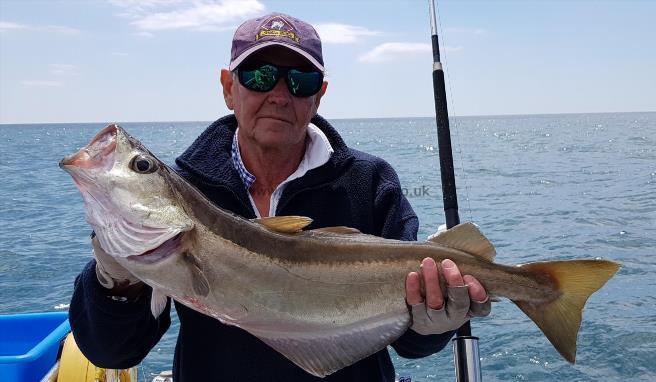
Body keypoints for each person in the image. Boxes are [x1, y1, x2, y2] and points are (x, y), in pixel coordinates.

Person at [69, 12, 490, 382]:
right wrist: (115, 280)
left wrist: (433, 324)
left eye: (300, 80)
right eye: (259, 75)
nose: (279, 94)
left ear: (319, 94)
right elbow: (113, 352)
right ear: (228, 87)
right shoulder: (189, 188)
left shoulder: (370, 181)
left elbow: (412, 345)